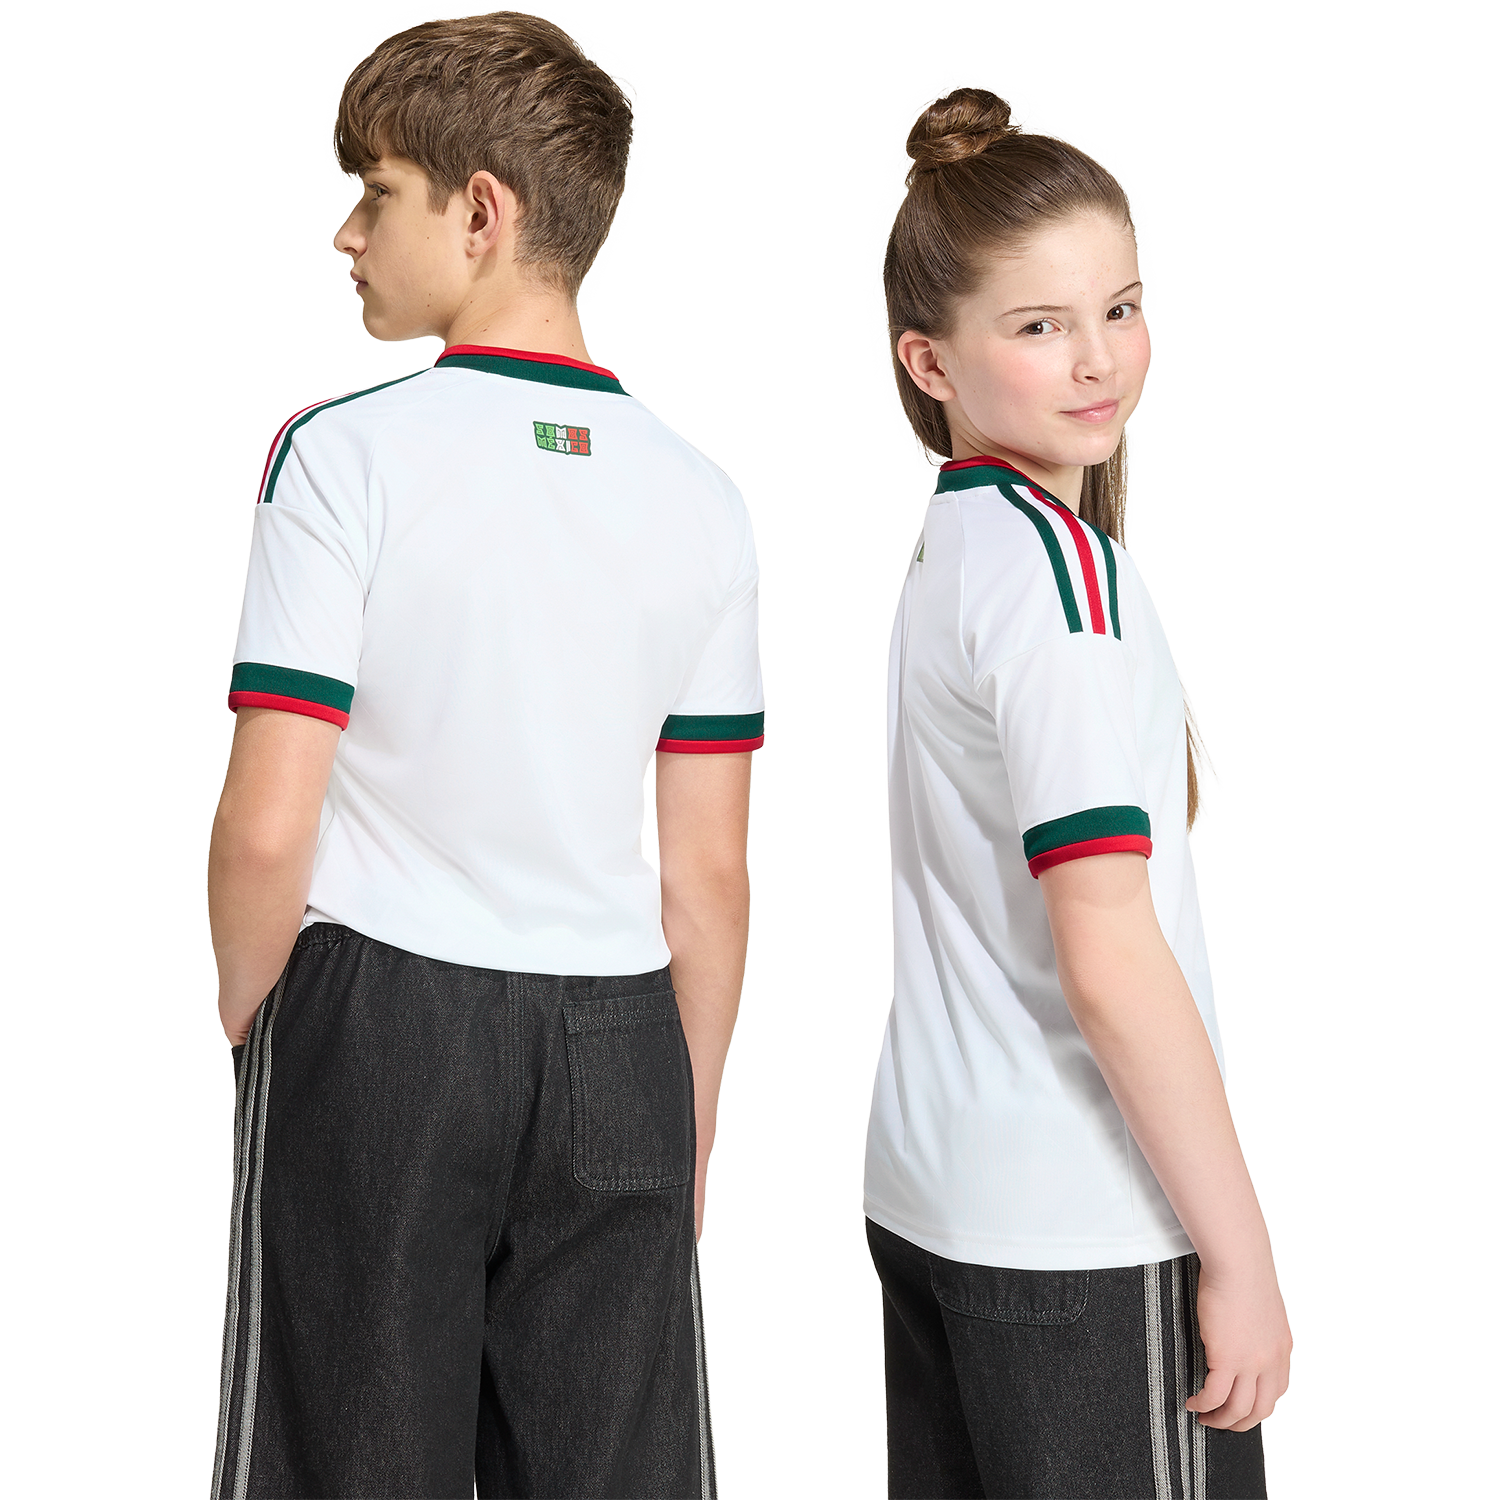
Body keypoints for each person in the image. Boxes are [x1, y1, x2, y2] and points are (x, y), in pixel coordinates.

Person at [209, 14, 760, 1498]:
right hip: (625, 1041)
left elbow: (267, 824)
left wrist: (260, 1024)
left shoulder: (345, 455)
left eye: (375, 192)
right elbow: (708, 875)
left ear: (480, 212)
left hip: (383, 1010)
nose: (348, 234)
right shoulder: (702, 501)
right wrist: (685, 1123)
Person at [863, 88, 1291, 1500]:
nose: (1100, 358)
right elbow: (1106, 953)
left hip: (937, 1193)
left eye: (1122, 308)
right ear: (930, 360)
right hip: (1081, 1229)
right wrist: (1240, 1254)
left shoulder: (961, 544)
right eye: (1041, 326)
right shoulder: (1060, 582)